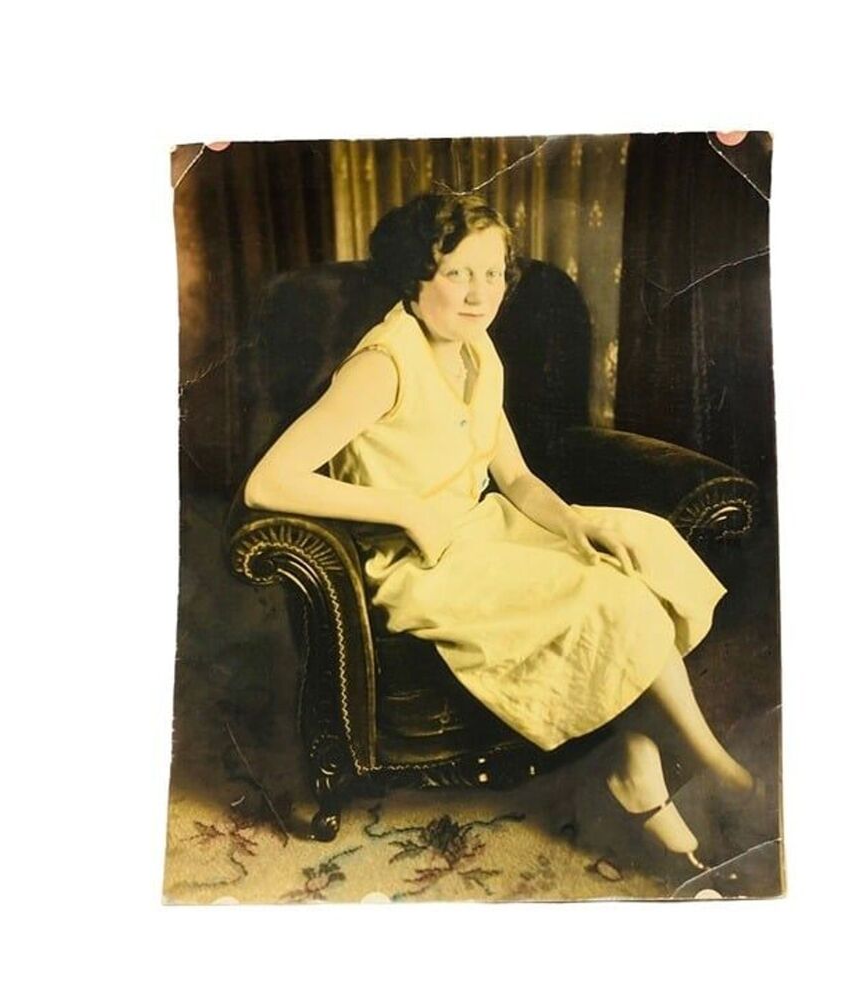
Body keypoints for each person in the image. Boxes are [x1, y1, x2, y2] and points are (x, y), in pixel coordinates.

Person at [244, 191, 759, 871]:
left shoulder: (476, 349)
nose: (477, 293)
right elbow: (267, 483)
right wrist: (406, 511)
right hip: (419, 560)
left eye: (492, 273)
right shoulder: (381, 366)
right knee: (613, 598)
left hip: (482, 528)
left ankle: (638, 759)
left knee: (641, 547)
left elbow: (513, 478)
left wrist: (575, 522)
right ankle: (712, 761)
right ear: (414, 275)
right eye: (456, 273)